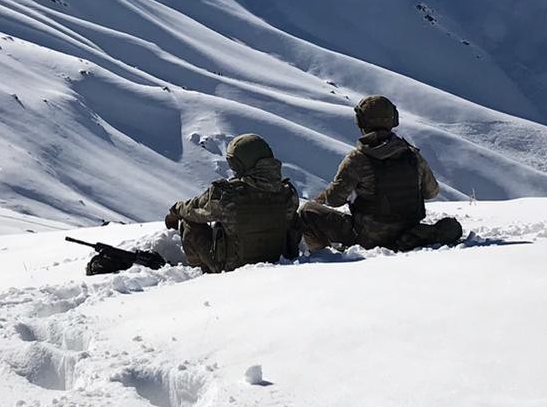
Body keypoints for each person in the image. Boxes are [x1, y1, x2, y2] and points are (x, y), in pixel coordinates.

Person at [300, 95, 463, 252]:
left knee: (307, 212)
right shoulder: (411, 155)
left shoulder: (358, 159)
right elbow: (432, 192)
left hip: (369, 238)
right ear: (394, 119)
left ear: (360, 121)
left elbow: (334, 200)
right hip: (409, 233)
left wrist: (320, 199)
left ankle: (323, 256)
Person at [165, 134, 301, 273]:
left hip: (231, 268)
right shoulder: (288, 193)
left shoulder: (227, 195)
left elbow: (194, 210)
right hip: (278, 261)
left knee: (189, 221)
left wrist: (175, 211)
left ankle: (201, 272)